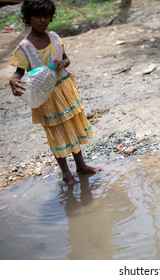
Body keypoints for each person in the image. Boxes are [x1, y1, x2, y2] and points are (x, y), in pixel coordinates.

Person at [9, 0, 101, 186]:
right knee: (56, 132)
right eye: (38, 16)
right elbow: (19, 72)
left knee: (72, 127)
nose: (43, 20)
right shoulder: (25, 47)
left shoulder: (54, 37)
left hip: (64, 90)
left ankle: (81, 165)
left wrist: (62, 63)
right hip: (46, 97)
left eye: (46, 16)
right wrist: (14, 80)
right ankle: (66, 173)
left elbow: (66, 61)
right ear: (28, 18)